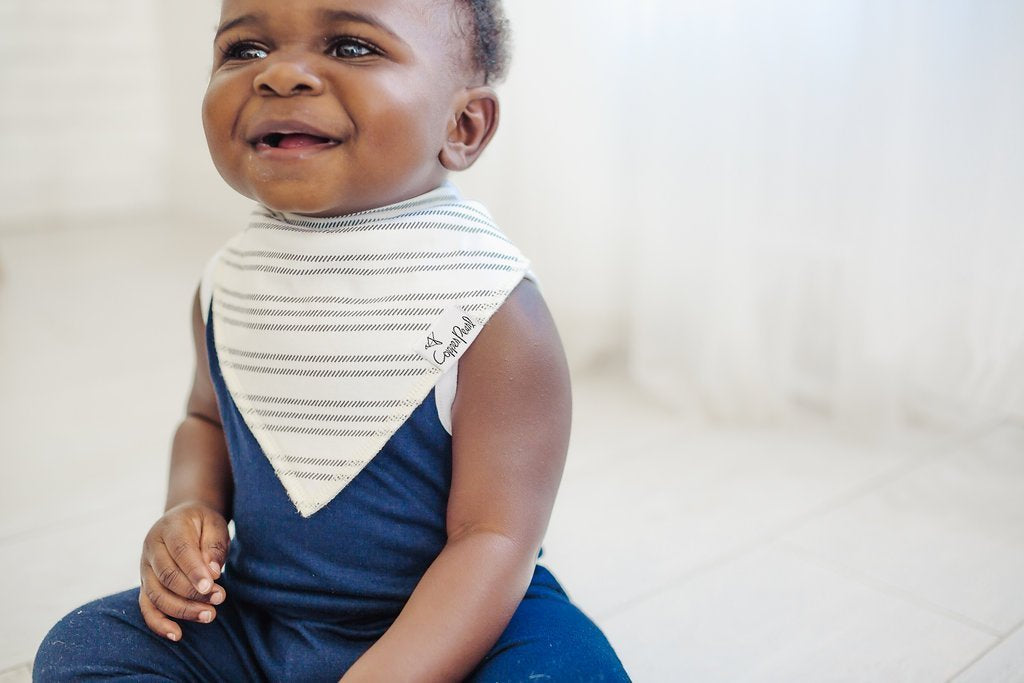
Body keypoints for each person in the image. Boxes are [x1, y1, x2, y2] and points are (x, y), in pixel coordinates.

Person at [33, 0, 631, 680]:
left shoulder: (490, 303)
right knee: (81, 646)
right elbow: (205, 418)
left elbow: (494, 538)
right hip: (263, 614)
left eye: (350, 47)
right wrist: (189, 505)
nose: (280, 75)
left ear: (463, 124)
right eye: (245, 50)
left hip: (464, 622)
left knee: (563, 669)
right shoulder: (226, 285)